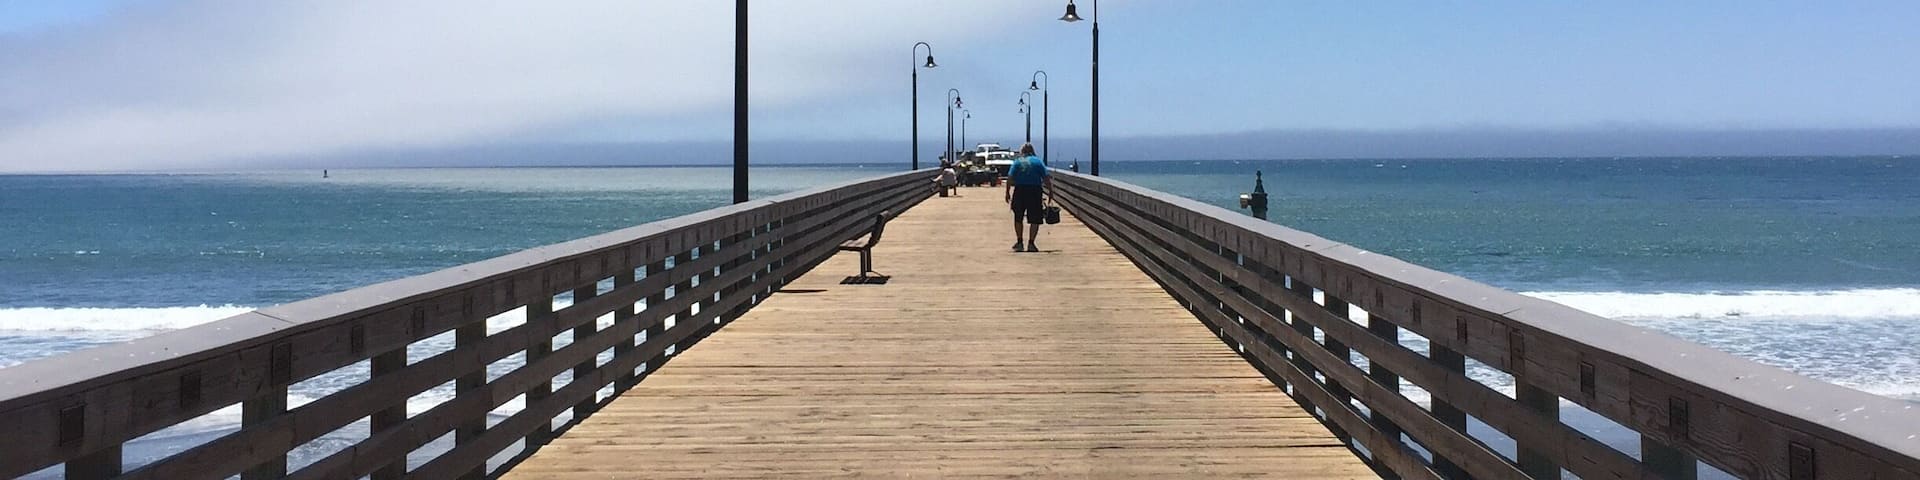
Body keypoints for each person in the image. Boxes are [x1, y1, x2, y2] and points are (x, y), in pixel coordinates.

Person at [1004, 143, 1050, 252]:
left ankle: (1019, 242)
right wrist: (1051, 192)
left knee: (1018, 216)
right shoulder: (1038, 162)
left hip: (1020, 191)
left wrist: (1007, 192)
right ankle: (1031, 243)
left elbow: (1010, 178)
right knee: (1035, 218)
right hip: (1034, 191)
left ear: (1022, 151)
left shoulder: (1017, 162)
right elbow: (1046, 178)